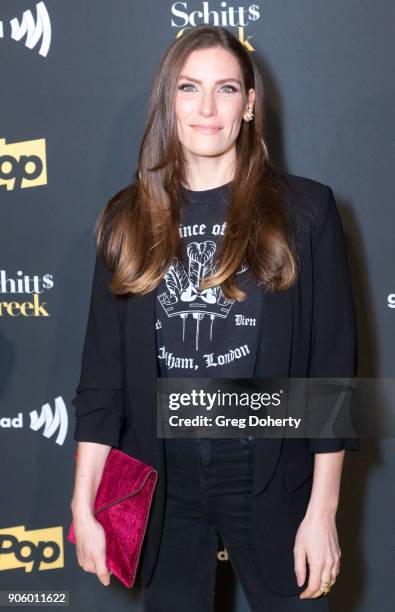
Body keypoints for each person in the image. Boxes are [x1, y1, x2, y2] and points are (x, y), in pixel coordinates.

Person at [69, 25, 359, 612]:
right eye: (188, 88)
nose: (206, 108)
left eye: (226, 89)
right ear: (168, 101)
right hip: (159, 477)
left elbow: (332, 373)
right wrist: (84, 503)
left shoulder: (307, 210)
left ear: (249, 104)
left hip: (271, 467)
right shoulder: (126, 218)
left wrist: (322, 512)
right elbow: (102, 381)